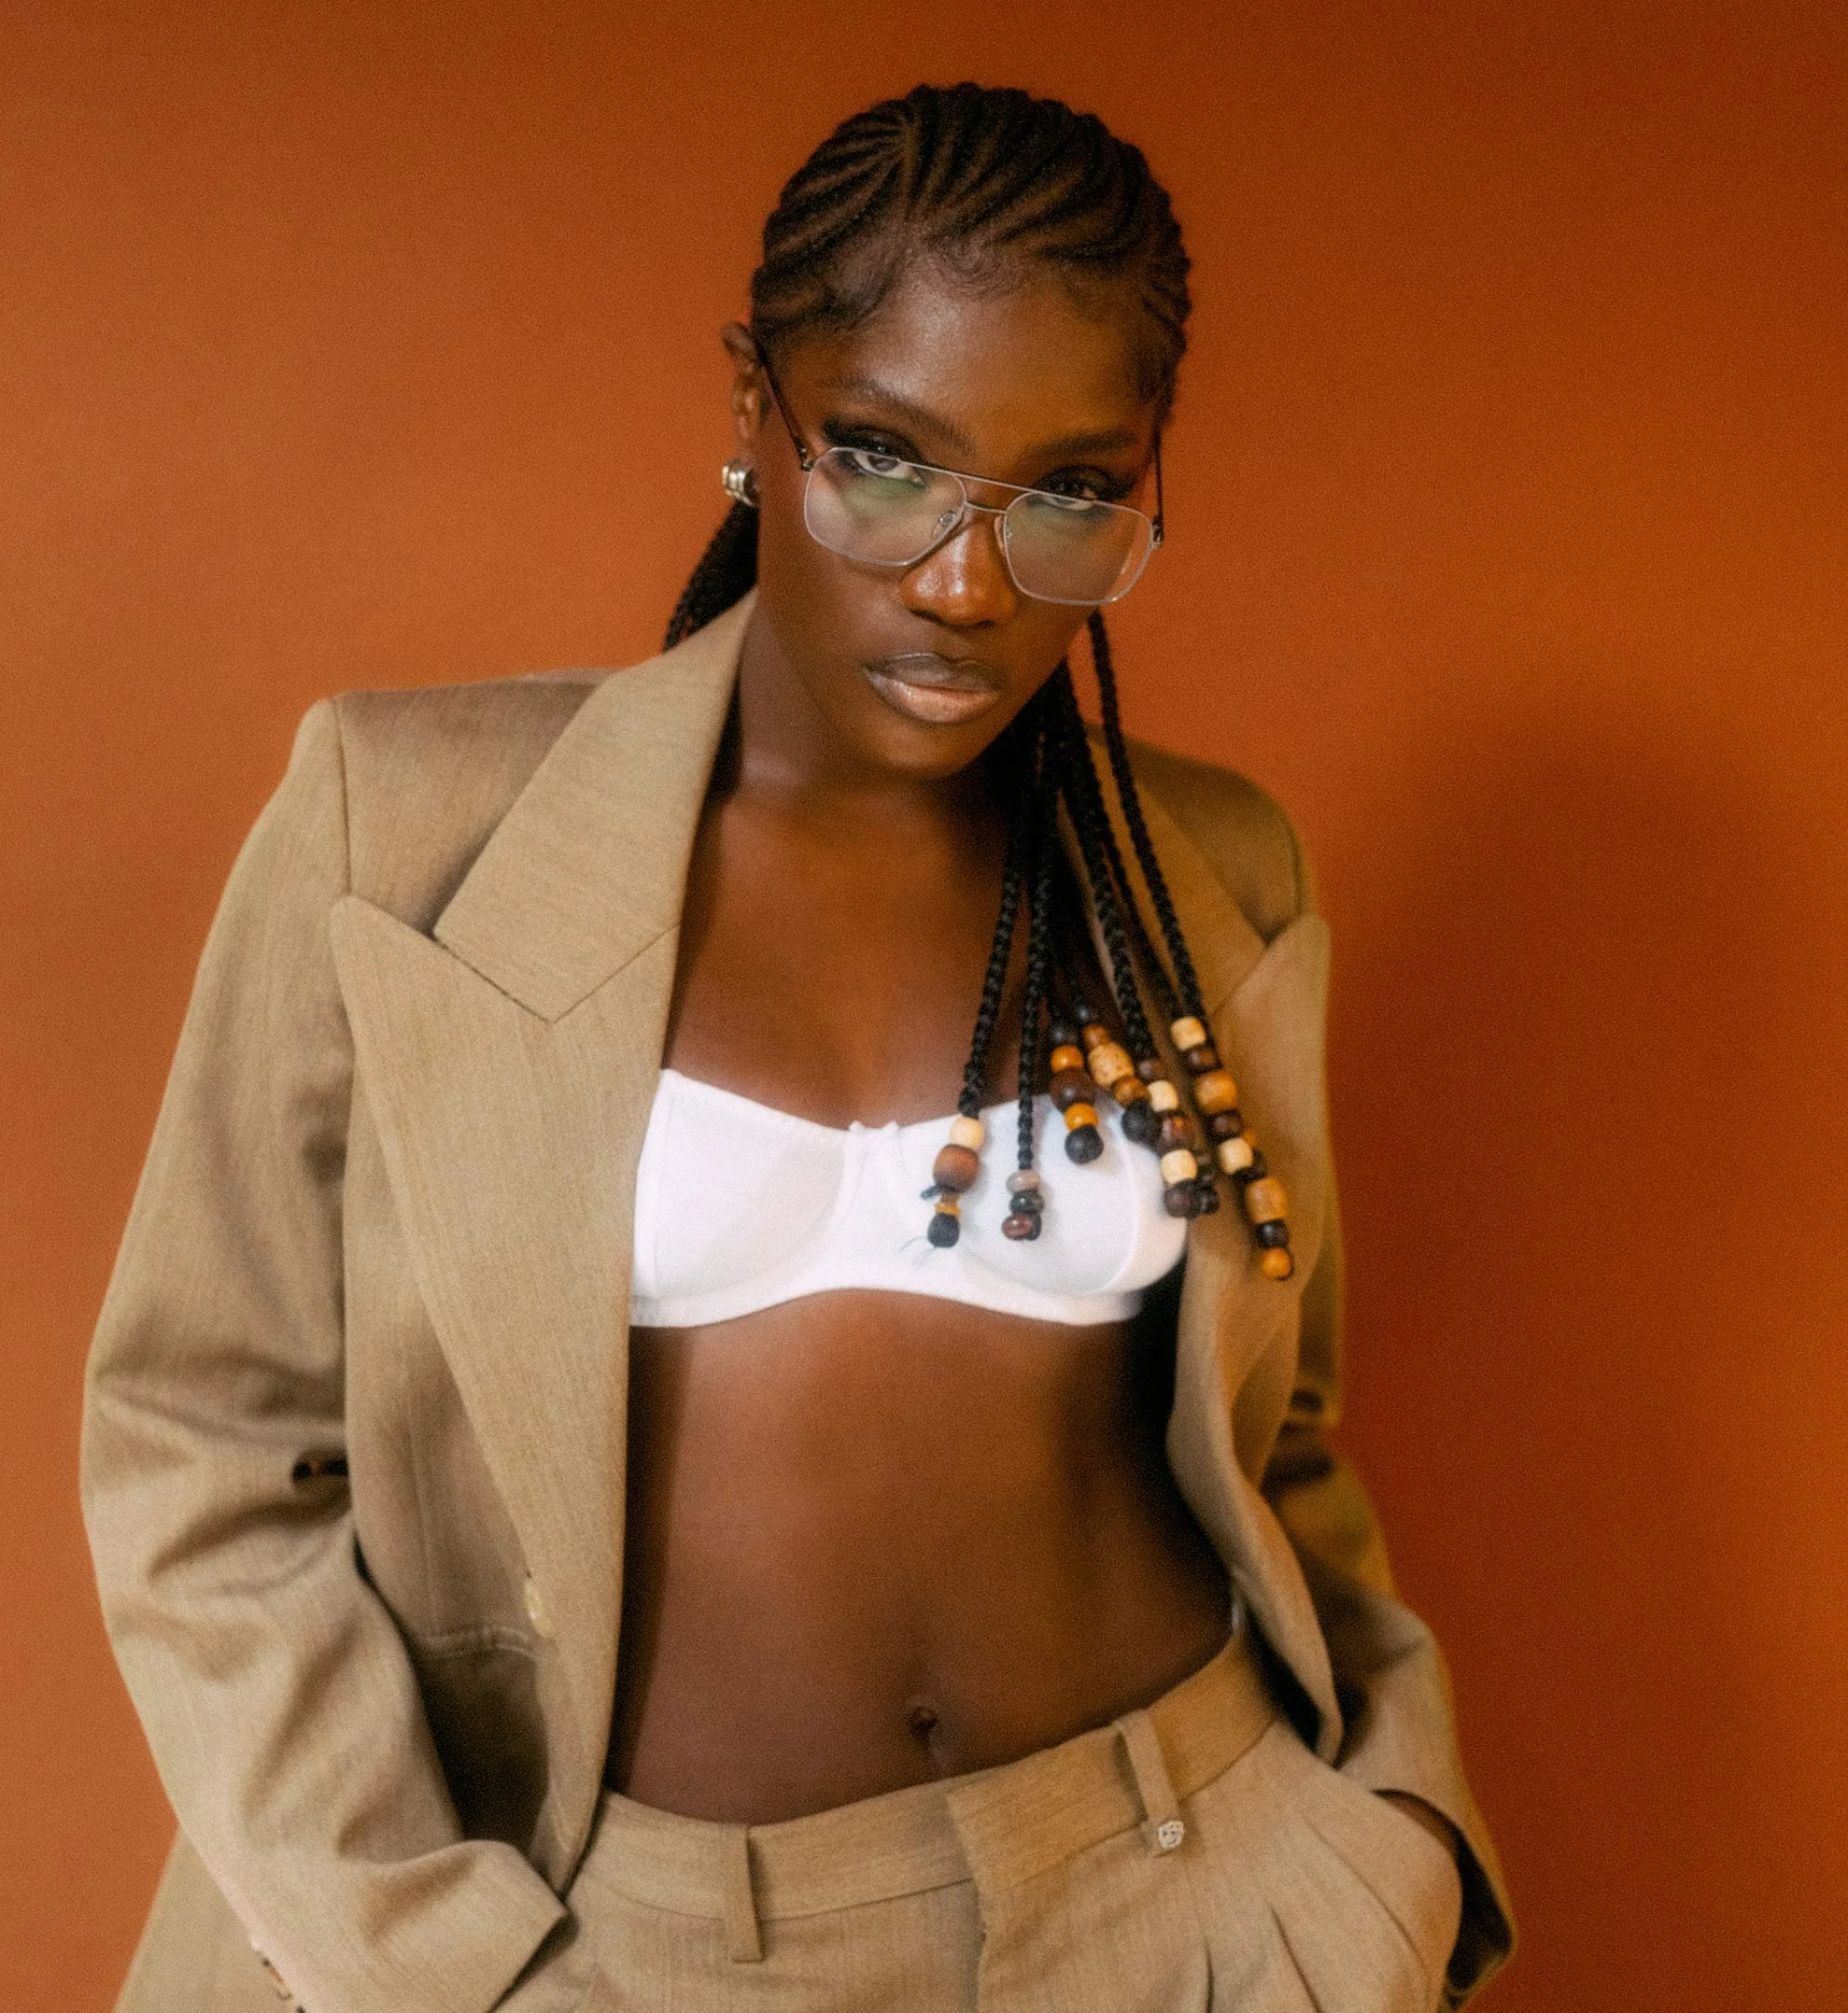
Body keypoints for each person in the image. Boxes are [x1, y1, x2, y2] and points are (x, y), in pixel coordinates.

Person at [83, 82, 1514, 2013]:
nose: (963, 582)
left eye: (1072, 492)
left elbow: (1286, 1441)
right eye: (883, 459)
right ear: (750, 409)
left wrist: (1386, 1849)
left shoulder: (1204, 873)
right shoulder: (404, 838)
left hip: (1184, 1895)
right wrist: (433, 1966)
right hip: (620, 1943)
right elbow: (207, 1444)